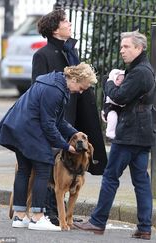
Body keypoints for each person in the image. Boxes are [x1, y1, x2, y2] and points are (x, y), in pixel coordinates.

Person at [0, 62, 97, 231]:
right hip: (29, 129)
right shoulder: (55, 91)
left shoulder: (55, 82)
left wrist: (75, 134)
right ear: (75, 79)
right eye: (82, 87)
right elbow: (48, 125)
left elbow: (59, 121)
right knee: (44, 166)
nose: (81, 91)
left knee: (24, 169)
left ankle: (19, 216)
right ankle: (37, 218)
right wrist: (66, 146)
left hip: (18, 126)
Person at [74, 31, 156, 240]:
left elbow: (120, 95)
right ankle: (144, 227)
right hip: (142, 131)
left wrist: (107, 82)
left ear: (139, 48)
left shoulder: (140, 72)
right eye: (121, 47)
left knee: (111, 176)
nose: (122, 50)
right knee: (141, 180)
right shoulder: (140, 69)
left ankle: (98, 221)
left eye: (126, 47)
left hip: (130, 133)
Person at [31, 9, 107, 224]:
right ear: (55, 28)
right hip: (53, 118)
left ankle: (61, 212)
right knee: (53, 164)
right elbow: (37, 87)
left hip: (70, 117)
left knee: (67, 165)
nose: (70, 23)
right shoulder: (42, 55)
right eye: (65, 21)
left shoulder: (69, 51)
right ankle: (50, 212)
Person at [101, 69, 125, 139]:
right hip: (111, 107)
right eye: (117, 79)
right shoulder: (110, 87)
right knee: (112, 116)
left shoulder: (123, 88)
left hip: (121, 110)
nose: (120, 81)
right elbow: (111, 98)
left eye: (122, 80)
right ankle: (110, 132)